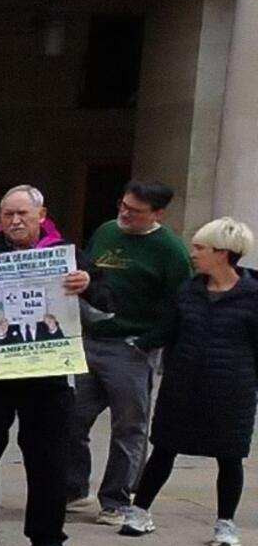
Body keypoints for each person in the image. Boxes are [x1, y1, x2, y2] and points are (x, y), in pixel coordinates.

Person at [0, 185, 94, 546]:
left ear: (41, 216)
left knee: (49, 455)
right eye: (7, 215)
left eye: (23, 215)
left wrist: (88, 288)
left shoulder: (67, 255)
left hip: (49, 373)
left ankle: (47, 536)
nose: (15, 222)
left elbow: (109, 305)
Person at [119, 218, 258, 546]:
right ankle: (140, 511)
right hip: (182, 386)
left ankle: (225, 523)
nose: (193, 254)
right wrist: (136, 341)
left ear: (224, 254)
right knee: (164, 449)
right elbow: (167, 330)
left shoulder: (253, 296)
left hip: (232, 389)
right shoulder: (188, 291)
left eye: (200, 248)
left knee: (230, 457)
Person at [69, 179, 193, 525]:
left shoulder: (170, 250)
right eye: (123, 206)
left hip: (132, 345)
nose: (125, 214)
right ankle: (74, 488)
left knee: (129, 426)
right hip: (92, 338)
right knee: (71, 417)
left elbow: (179, 302)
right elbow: (91, 272)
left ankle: (117, 498)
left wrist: (150, 340)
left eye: (135, 211)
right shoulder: (107, 232)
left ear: (157, 214)